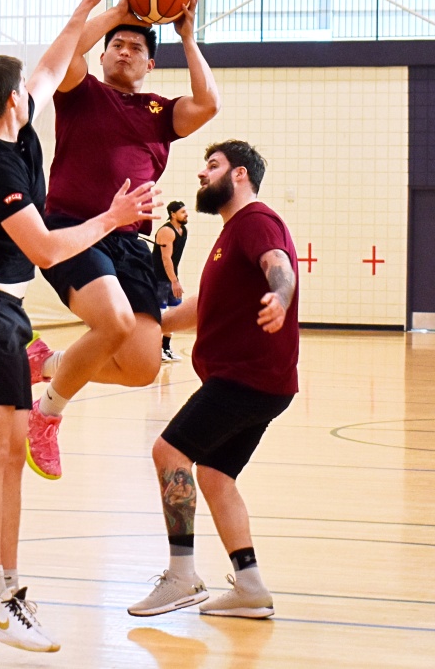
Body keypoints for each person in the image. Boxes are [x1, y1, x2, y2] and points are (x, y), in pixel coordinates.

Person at [0, 0, 161, 653]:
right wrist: (112, 216)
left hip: (7, 316)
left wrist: (93, 7)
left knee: (11, 452)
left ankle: (4, 588)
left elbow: (55, 57)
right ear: (11, 102)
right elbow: (42, 246)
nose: (35, 87)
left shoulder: (16, 123)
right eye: (24, 89)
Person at [25, 0, 221, 481]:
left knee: (141, 367)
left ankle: (48, 363)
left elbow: (209, 103)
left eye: (136, 46)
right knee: (112, 323)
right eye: (117, 44)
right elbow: (66, 54)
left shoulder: (161, 111)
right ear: (105, 53)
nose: (125, 50)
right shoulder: (81, 91)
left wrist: (188, 37)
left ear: (151, 63)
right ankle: (45, 417)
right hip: (76, 230)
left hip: (130, 243)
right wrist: (116, 12)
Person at [127, 140, 299, 621]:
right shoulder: (230, 234)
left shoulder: (256, 222)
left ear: (239, 174)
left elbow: (280, 269)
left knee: (169, 451)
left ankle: (182, 575)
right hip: (264, 383)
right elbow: (197, 311)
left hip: (245, 378)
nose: (202, 174)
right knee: (215, 474)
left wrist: (281, 298)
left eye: (213, 165)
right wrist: (134, 322)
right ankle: (250, 586)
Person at [153, 200, 189, 362]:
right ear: (173, 214)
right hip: (159, 279)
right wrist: (174, 281)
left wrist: (175, 279)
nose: (186, 214)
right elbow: (166, 259)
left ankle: (166, 348)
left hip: (171, 278)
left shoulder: (183, 231)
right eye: (182, 212)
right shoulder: (167, 231)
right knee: (159, 315)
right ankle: (155, 349)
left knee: (174, 315)